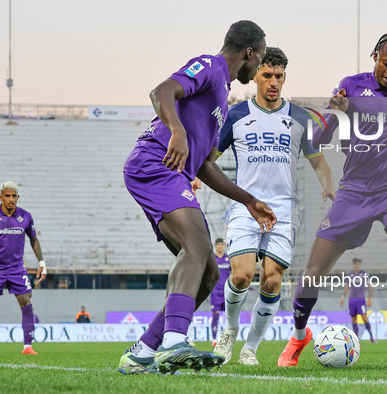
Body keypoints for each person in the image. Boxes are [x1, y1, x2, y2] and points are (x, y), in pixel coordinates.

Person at [118, 21, 277, 375]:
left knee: (207, 274)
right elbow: (161, 91)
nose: (260, 66)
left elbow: (205, 164)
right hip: (155, 161)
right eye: (261, 57)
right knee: (198, 247)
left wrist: (248, 200)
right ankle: (174, 341)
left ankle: (143, 351)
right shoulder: (210, 65)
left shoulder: (222, 92)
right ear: (249, 53)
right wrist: (176, 131)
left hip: (176, 173)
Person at [278, 32, 387, 367]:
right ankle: (297, 336)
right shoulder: (351, 86)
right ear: (375, 57)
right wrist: (334, 111)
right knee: (313, 273)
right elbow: (319, 137)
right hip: (353, 191)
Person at [213, 47, 335, 366]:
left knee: (272, 281)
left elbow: (319, 161)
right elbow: (210, 157)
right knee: (241, 276)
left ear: (284, 78)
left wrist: (329, 184)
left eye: (279, 76)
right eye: (266, 75)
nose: (273, 82)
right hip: (246, 205)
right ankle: (228, 332)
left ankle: (250, 347)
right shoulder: (236, 115)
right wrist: (197, 177)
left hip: (284, 211)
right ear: (255, 76)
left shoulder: (299, 117)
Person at [0, 181, 47, 355]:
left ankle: (27, 346)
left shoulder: (25, 216)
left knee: (26, 301)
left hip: (16, 269)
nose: (11, 199)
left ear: (17, 197)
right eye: (7, 196)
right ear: (1, 197)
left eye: (14, 196)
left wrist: (41, 262)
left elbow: (33, 239)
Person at [340, 258, 376, 342]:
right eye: (355, 264)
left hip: (361, 300)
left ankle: (371, 336)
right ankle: (356, 338)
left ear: (359, 265)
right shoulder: (350, 275)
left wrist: (369, 299)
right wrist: (343, 297)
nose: (356, 265)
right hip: (352, 300)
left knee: (364, 317)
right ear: (353, 264)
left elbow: (370, 287)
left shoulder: (364, 274)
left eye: (358, 264)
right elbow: (347, 286)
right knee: (353, 318)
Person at [210, 238, 230, 347]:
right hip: (215, 291)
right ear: (215, 246)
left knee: (228, 316)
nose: (220, 246)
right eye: (218, 244)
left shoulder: (228, 259)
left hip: (226, 291)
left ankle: (227, 338)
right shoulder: (212, 258)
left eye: (222, 244)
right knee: (216, 315)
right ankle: (214, 339)